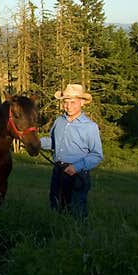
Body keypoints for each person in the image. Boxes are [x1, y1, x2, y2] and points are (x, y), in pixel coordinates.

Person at [39, 83, 103, 220]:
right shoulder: (59, 121)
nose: (68, 106)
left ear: (82, 102)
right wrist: (36, 143)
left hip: (78, 175)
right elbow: (53, 142)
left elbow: (97, 155)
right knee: (56, 207)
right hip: (58, 171)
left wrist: (76, 167)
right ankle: (57, 235)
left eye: (73, 102)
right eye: (65, 102)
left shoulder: (90, 127)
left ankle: (78, 236)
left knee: (76, 210)